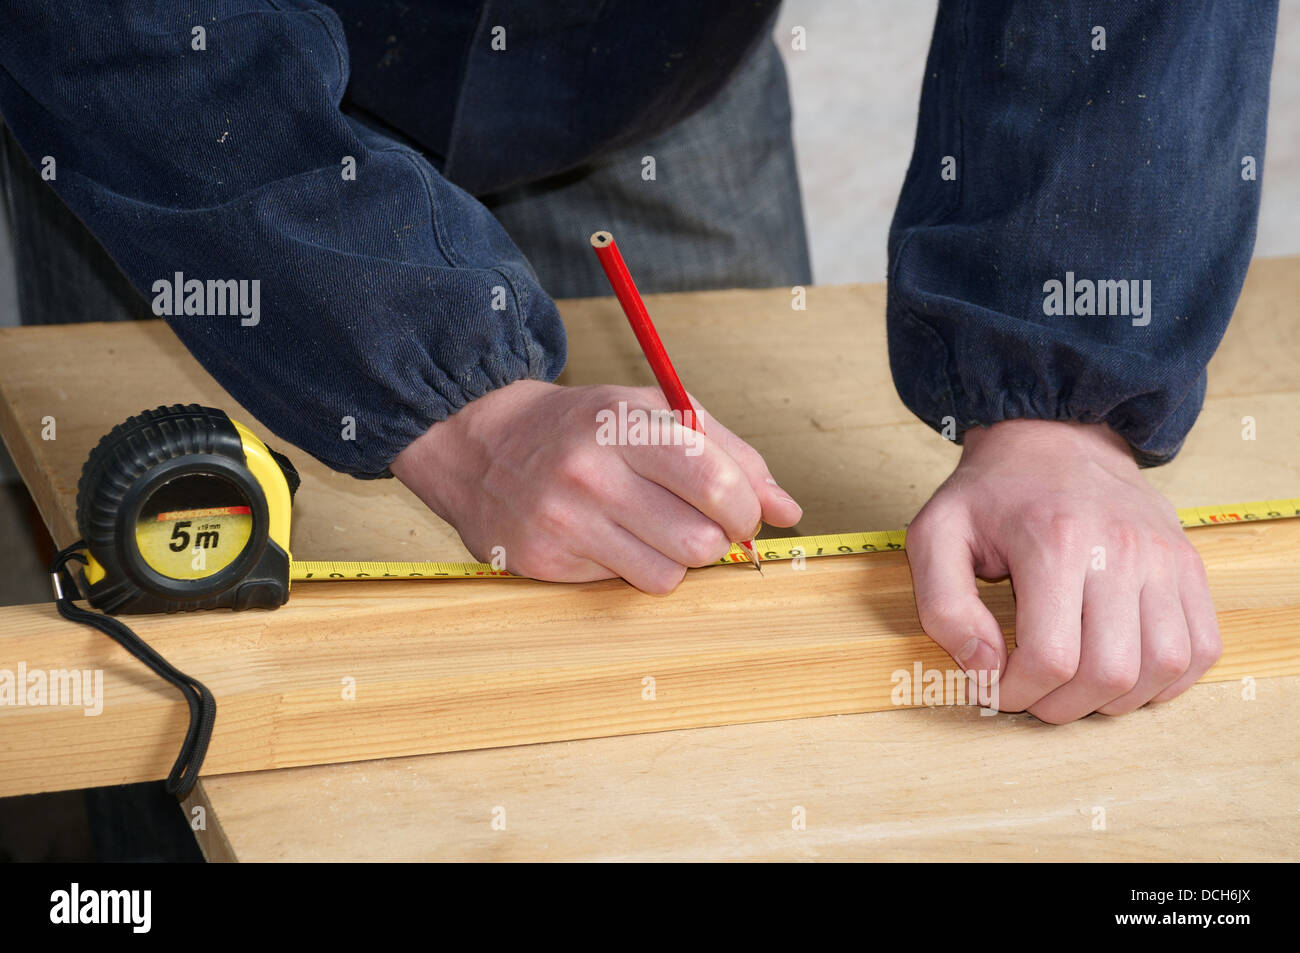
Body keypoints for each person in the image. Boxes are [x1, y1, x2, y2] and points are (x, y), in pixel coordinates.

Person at [0, 1, 1277, 725]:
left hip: (645, 75)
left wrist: (1060, 400)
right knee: (203, 712)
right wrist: (459, 408)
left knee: (740, 717)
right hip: (194, 114)